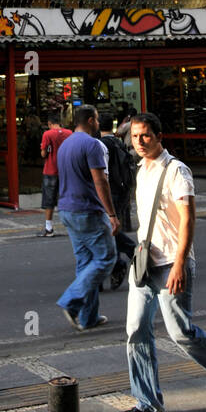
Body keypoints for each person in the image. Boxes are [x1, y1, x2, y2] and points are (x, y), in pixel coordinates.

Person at [120, 112, 206, 412]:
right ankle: (148, 402)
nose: (139, 141)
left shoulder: (177, 171)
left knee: (180, 333)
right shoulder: (140, 169)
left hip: (171, 263)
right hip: (145, 262)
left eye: (145, 135)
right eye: (135, 136)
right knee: (136, 330)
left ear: (160, 136)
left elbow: (188, 218)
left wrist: (179, 265)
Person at [55, 105, 118, 331]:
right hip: (87, 209)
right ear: (91, 120)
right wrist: (111, 213)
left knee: (85, 263)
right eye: (97, 120)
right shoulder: (92, 145)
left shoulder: (65, 145)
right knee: (106, 258)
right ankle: (71, 301)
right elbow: (100, 181)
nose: (99, 124)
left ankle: (89, 316)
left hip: (67, 209)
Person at [99, 114, 135, 289]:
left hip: (110, 192)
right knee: (111, 228)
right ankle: (125, 256)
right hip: (121, 191)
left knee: (108, 230)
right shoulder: (118, 142)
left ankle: (128, 254)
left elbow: (102, 174)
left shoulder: (102, 145)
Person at [39, 111, 72, 237]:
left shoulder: (47, 134)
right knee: (67, 198)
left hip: (50, 170)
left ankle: (49, 228)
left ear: (49, 123)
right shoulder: (69, 133)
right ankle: (71, 226)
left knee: (49, 200)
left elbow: (43, 154)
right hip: (66, 170)